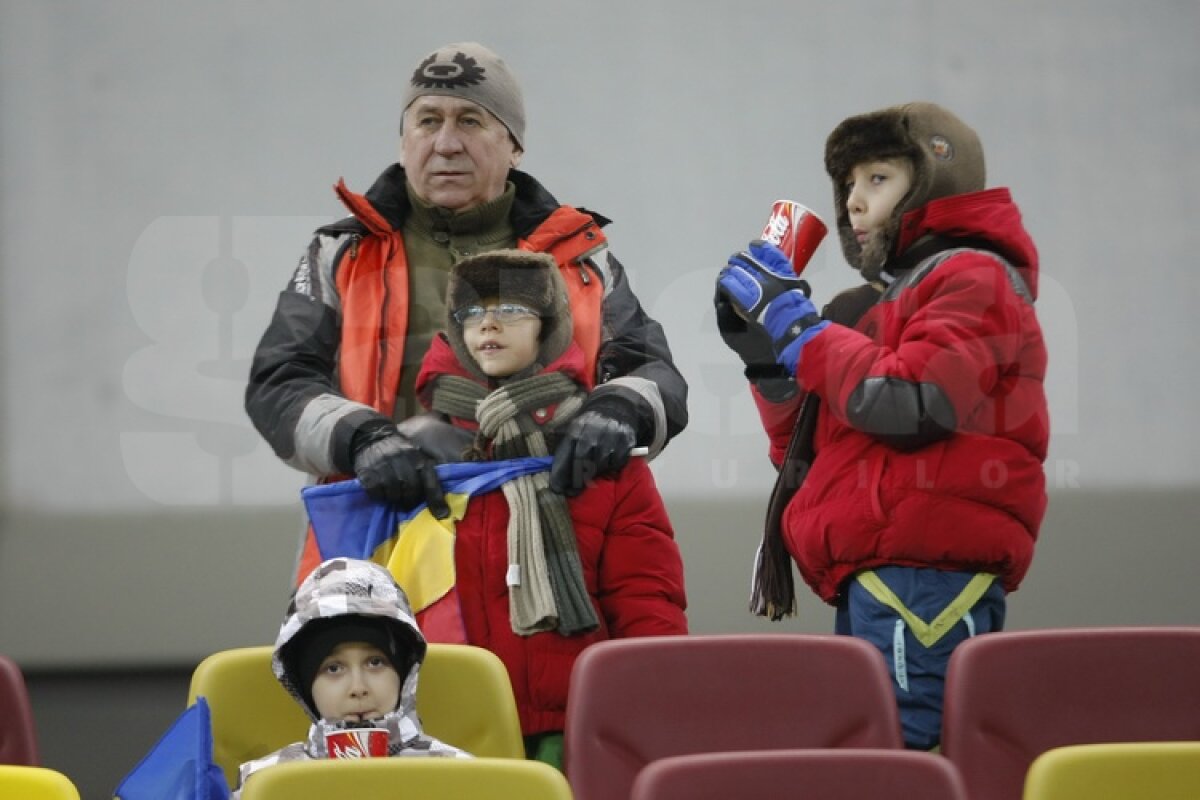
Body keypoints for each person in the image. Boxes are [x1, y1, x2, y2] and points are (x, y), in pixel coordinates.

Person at [244, 41, 688, 582]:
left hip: (549, 559)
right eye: (427, 120)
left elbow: (653, 372)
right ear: (403, 140)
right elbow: (278, 382)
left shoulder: (579, 258)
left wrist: (618, 411)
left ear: (515, 146)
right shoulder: (341, 254)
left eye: (471, 121)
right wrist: (363, 439)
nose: (446, 143)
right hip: (378, 551)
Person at [715, 101, 1049, 749]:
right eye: (847, 186)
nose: (853, 204)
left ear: (934, 182)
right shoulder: (871, 306)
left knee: (911, 762)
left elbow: (910, 403)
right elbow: (804, 450)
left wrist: (798, 327)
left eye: (878, 179)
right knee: (874, 764)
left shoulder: (973, 276)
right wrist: (764, 349)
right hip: (875, 575)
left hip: (925, 579)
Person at [404, 248, 688, 768]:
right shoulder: (424, 457)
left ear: (548, 326)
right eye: (471, 313)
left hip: (576, 727)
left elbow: (645, 597)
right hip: (447, 733)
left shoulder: (602, 451)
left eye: (510, 309)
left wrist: (656, 707)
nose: (488, 323)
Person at [232, 557, 468, 798]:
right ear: (305, 685)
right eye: (333, 668)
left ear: (404, 672)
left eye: (375, 662)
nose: (358, 688)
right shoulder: (261, 785)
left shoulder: (462, 777)